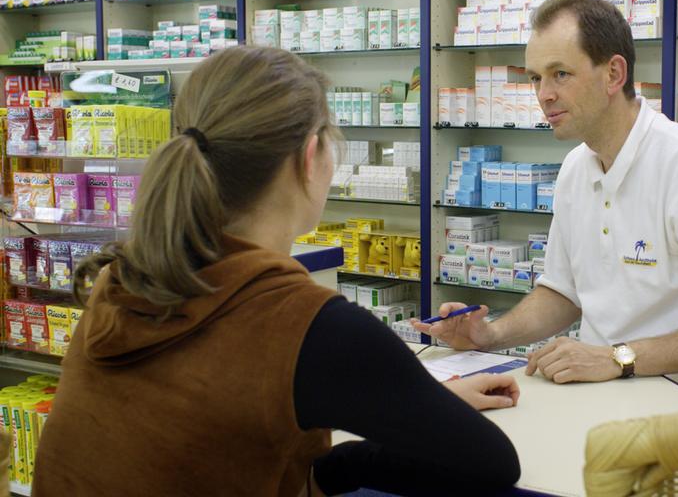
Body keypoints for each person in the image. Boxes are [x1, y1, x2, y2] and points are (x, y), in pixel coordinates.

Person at [33, 46, 521, 496]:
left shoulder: (122, 280)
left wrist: (409, 407)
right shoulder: (309, 324)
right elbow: (493, 462)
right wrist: (380, 437)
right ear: (310, 157)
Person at [414, 0, 678, 401]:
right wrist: (490, 335)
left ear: (613, 74)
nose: (544, 94)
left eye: (560, 74)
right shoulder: (576, 167)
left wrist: (616, 358)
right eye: (536, 78)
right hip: (597, 395)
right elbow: (562, 294)